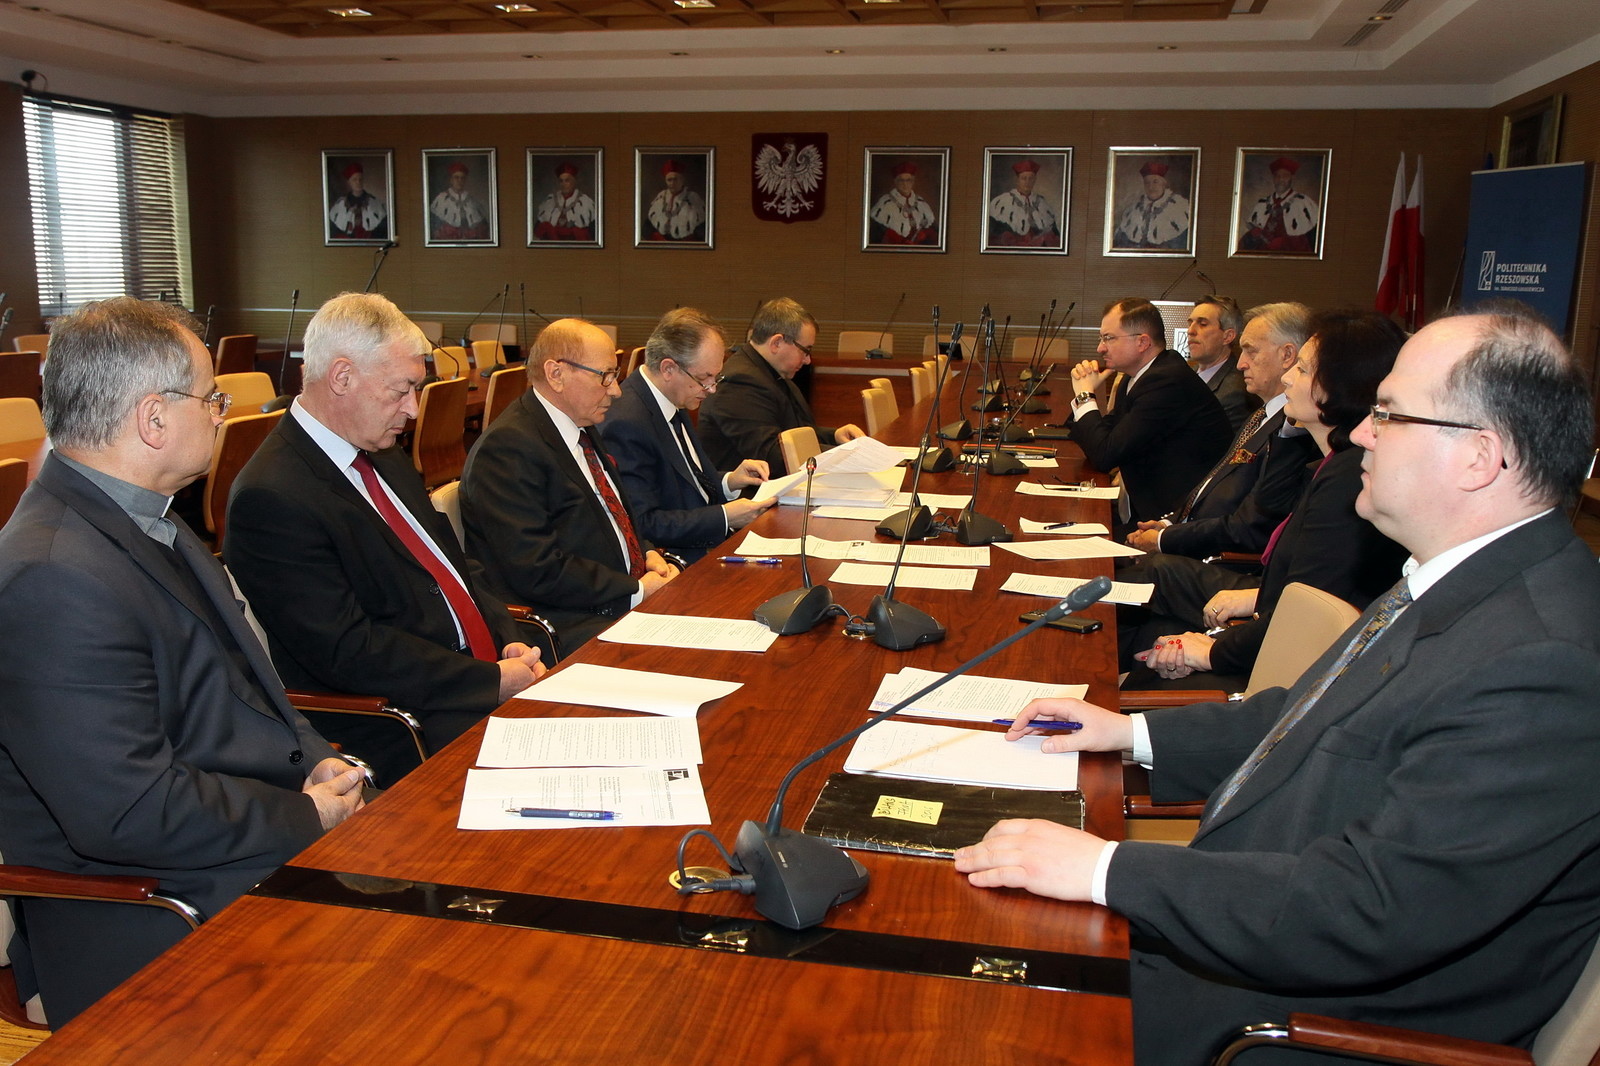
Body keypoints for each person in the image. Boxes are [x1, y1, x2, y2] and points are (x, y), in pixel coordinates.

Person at [955, 307, 1600, 1062]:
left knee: (967, 1011)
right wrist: (1128, 731)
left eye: (1389, 414)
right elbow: (1305, 718)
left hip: (1304, 1023)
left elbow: (1368, 910)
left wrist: (1103, 868)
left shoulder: (1544, 664)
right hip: (1251, 925)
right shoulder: (1463, 577)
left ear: (1478, 457)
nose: (1362, 433)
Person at [0, 297, 364, 1026]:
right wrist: (305, 814)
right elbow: (130, 811)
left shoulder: (144, 516)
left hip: (231, 850)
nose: (222, 414)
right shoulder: (51, 575)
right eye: (211, 398)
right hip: (154, 910)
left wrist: (316, 759)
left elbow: (246, 692)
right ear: (153, 419)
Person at [225, 292, 545, 785]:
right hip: (401, 718)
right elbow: (349, 651)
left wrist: (508, 640)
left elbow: (454, 565)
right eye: (402, 390)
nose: (413, 410)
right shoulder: (271, 496)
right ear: (342, 377)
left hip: (471, 681)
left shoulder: (382, 450)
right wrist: (488, 682)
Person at [1127, 309, 1410, 688]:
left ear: (1342, 384)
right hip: (1272, 621)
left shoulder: (1347, 478)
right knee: (1152, 637)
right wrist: (1291, 432)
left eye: (1303, 370)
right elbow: (1278, 520)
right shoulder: (1328, 462)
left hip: (1295, 667)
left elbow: (1303, 613)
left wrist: (1212, 651)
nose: (1288, 377)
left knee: (1150, 664)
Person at [460, 318, 681, 654]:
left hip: (610, 597)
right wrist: (635, 591)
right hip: (564, 622)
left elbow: (614, 514)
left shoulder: (580, 423)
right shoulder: (506, 450)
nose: (616, 390)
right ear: (556, 374)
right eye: (605, 376)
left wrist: (646, 551)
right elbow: (538, 570)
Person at [1126, 302, 1317, 558]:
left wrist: (1165, 538)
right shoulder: (1260, 415)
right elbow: (1214, 486)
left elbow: (1251, 526)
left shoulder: (1293, 431)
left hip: (1213, 560)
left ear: (1287, 355)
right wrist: (1169, 523)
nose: (1241, 364)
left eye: (1251, 351)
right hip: (1190, 539)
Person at [597, 308, 773, 564]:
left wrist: (729, 482)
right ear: (669, 368)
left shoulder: (673, 396)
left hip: (707, 546)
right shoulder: (626, 422)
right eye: (705, 378)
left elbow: (687, 482)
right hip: (676, 562)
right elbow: (643, 523)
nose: (712, 389)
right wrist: (724, 516)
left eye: (716, 377)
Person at [1066, 297, 1233, 526]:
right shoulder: (1136, 378)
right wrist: (1083, 399)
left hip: (1174, 522)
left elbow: (1105, 454)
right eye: (1101, 338)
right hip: (1143, 511)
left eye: (1109, 338)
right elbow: (1102, 440)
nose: (1100, 348)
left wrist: (1085, 396)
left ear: (1142, 342)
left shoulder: (1166, 381)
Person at [696, 297, 866, 473]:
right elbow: (775, 456)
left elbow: (796, 434)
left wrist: (834, 436)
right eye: (805, 350)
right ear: (776, 343)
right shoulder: (740, 383)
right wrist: (847, 456)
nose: (808, 360)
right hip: (754, 488)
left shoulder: (769, 373)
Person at [1183, 296, 1258, 434]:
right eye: (1190, 323)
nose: (1190, 331)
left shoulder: (1237, 392)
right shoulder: (1184, 376)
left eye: (1202, 324)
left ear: (1227, 336)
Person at [1239, 155, 1320, 254]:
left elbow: (1312, 239)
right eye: (1277, 176)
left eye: (1285, 176)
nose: (1281, 179)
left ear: (1291, 178)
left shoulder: (1303, 202)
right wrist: (1253, 235)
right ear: (1273, 179)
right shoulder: (1262, 204)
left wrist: (1284, 242)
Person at [1113, 160, 1190, 250]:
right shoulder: (1132, 210)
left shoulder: (1180, 206)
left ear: (1164, 184)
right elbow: (1120, 243)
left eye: (1155, 182)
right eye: (1147, 182)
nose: (1151, 187)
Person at [987, 159, 1059, 248]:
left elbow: (1054, 234)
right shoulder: (1003, 202)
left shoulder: (1042, 203)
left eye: (1031, 178)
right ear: (1017, 180)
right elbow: (994, 235)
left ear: (1035, 180)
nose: (1027, 182)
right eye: (1024, 178)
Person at [869, 162, 938, 245]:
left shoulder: (921, 202)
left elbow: (933, 229)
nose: (905, 184)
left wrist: (924, 234)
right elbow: (877, 233)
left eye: (908, 180)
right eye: (901, 180)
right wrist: (900, 240)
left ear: (913, 182)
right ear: (895, 182)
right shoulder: (885, 202)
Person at [534, 161, 597, 241]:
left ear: (574, 181)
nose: (563, 184)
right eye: (561, 181)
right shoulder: (550, 201)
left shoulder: (586, 202)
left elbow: (592, 234)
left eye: (567, 180)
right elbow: (537, 230)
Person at [646, 159, 706, 242]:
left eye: (675, 179)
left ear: (682, 180)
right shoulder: (661, 197)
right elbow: (648, 226)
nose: (672, 183)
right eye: (669, 180)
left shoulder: (693, 198)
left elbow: (702, 228)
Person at [327, 160, 388, 241]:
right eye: (354, 179)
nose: (358, 182)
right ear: (349, 182)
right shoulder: (341, 204)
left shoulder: (374, 202)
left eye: (360, 179)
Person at [429, 161, 490, 241]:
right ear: (451, 180)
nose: (459, 181)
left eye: (462, 178)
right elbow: (435, 226)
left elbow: (481, 225)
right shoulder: (442, 198)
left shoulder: (472, 200)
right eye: (456, 177)